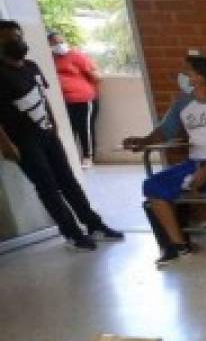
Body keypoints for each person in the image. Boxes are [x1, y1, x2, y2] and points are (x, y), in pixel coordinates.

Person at [124, 53, 206, 267]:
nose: (183, 77)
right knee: (152, 186)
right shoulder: (182, 103)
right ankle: (179, 245)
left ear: (202, 77)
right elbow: (166, 131)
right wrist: (143, 141)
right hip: (195, 162)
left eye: (188, 73)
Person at [0, 20, 122, 251]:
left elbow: (42, 96)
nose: (16, 41)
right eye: (9, 38)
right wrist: (6, 145)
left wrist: (54, 124)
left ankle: (93, 224)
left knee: (69, 182)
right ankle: (73, 234)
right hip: (23, 140)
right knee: (47, 187)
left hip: (47, 134)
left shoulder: (31, 66)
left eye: (18, 36)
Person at [48, 31, 101, 169]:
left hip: (83, 99)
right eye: (55, 43)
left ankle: (88, 157)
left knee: (85, 128)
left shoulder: (76, 56)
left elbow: (96, 76)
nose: (59, 45)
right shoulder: (49, 59)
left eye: (61, 42)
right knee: (69, 129)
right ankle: (70, 158)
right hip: (63, 102)